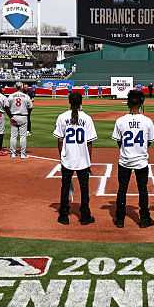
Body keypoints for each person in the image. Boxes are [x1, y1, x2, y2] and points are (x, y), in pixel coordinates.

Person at [111, 89, 154, 228]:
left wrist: (126, 150)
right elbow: (149, 141)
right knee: (143, 189)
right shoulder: (147, 121)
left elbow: (119, 141)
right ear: (141, 103)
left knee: (122, 189)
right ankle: (144, 219)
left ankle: (120, 219)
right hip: (141, 161)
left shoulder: (120, 121)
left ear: (128, 103)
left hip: (124, 160)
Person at [53, 92, 97, 225]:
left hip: (67, 158)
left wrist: (62, 157)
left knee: (65, 187)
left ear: (69, 102)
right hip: (83, 159)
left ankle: (63, 215)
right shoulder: (87, 118)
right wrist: (89, 161)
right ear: (81, 102)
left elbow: (60, 141)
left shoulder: (62, 117)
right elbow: (89, 142)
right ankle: (85, 216)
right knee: (84, 188)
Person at [7, 84, 33, 159]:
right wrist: (26, 112)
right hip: (23, 116)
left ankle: (13, 154)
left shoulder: (11, 96)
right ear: (21, 87)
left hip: (14, 116)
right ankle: (22, 154)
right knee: (23, 136)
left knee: (13, 136)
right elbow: (31, 107)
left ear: (16, 87)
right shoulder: (26, 96)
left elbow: (6, 106)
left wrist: (10, 117)